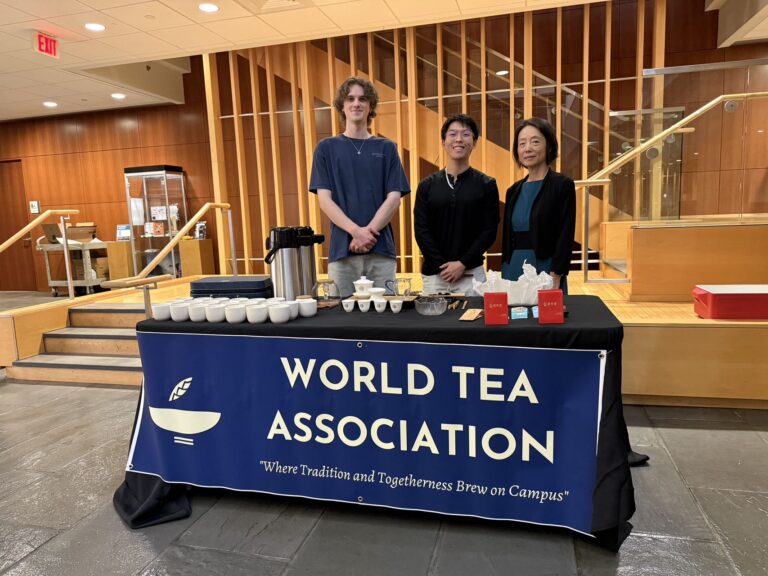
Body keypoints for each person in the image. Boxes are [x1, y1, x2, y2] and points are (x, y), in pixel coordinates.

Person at [309, 76, 410, 297]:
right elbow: (325, 200)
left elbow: (394, 198)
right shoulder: (326, 148)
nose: (357, 103)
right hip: (342, 252)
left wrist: (368, 234)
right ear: (342, 106)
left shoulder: (387, 148)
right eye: (351, 98)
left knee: (385, 318)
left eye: (363, 99)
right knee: (342, 320)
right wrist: (356, 232)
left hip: (381, 250)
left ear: (370, 106)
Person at [414, 114, 499, 295]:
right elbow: (421, 230)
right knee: (434, 323)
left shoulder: (487, 185)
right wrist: (443, 266)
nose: (459, 139)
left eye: (466, 134)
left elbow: (489, 230)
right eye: (452, 134)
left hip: (472, 275)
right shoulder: (426, 186)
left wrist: (462, 264)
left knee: (474, 322)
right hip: (435, 275)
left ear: (474, 143)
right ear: (444, 142)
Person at [501, 117, 575, 293]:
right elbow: (507, 238)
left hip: (546, 269)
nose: (527, 149)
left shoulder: (562, 184)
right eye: (522, 143)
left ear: (548, 146)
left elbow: (566, 233)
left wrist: (556, 273)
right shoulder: (513, 190)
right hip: (513, 268)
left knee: (546, 319)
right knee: (514, 319)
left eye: (535, 142)